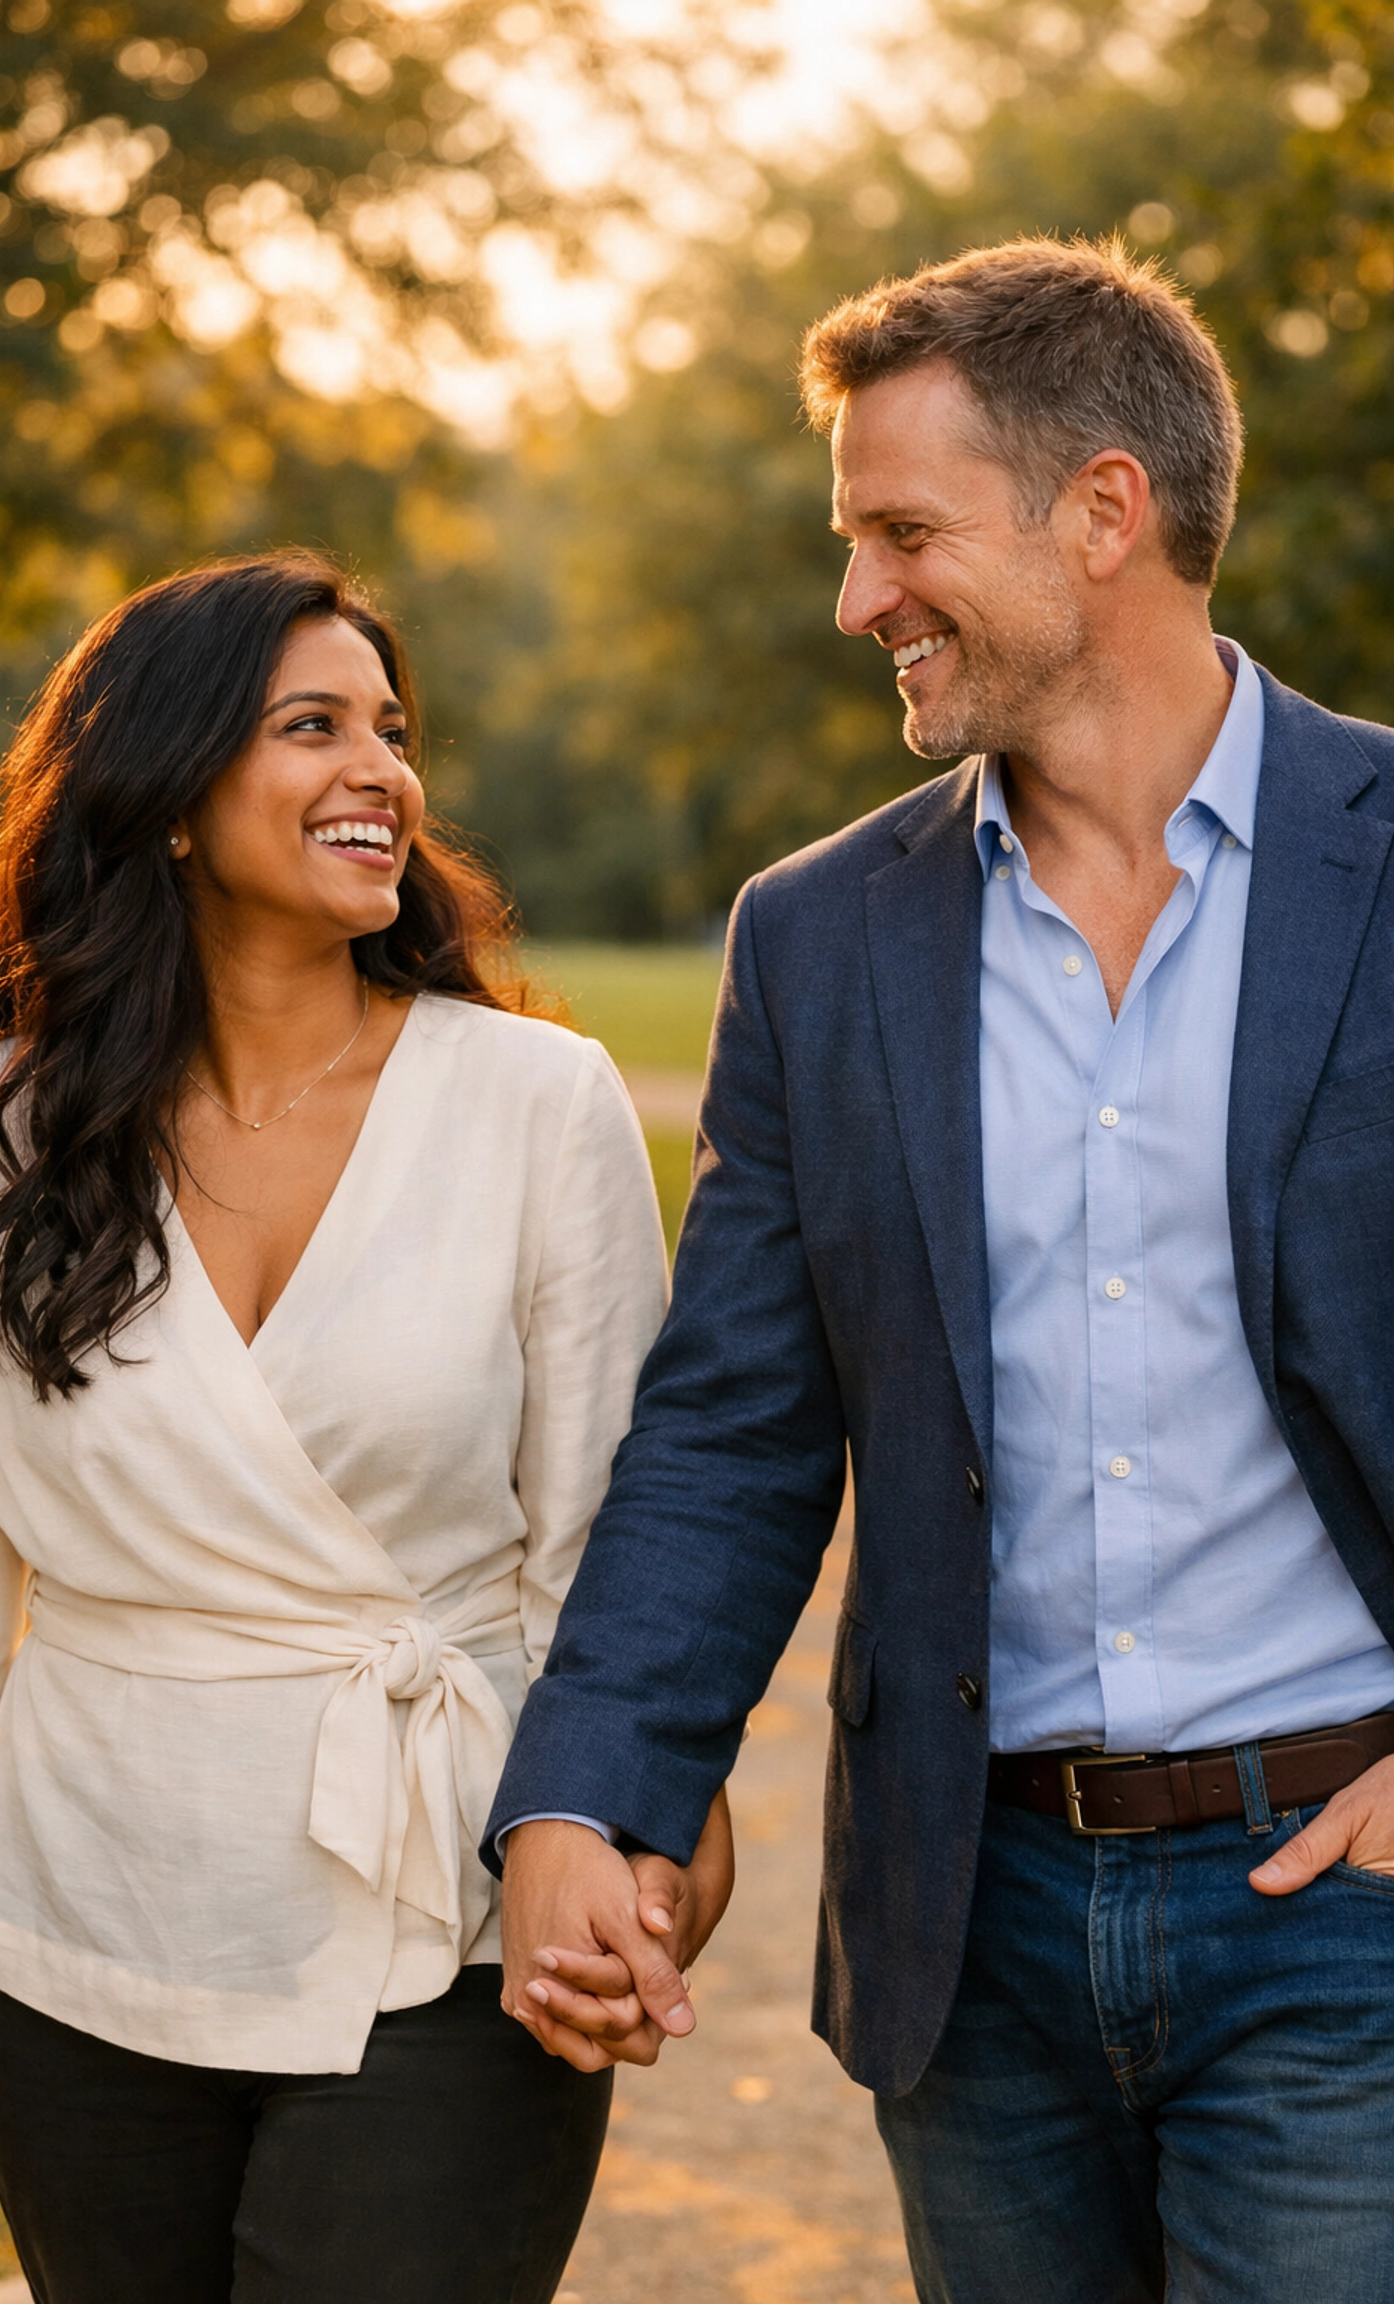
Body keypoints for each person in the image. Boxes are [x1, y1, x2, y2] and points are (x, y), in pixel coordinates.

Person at [487, 238, 1394, 2302]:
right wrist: (590, 1795)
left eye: (903, 534)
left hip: (1345, 1903)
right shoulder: (822, 940)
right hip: (965, 1931)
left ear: (1105, 511)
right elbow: (730, 1429)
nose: (855, 601)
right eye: (849, 542)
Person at [0, 551, 730, 2302]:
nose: (382, 772)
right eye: (311, 726)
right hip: (78, 1939)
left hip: (448, 1921)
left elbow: (610, 1565)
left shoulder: (530, 1104)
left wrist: (653, 1851)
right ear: (169, 795)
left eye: (393, 732)